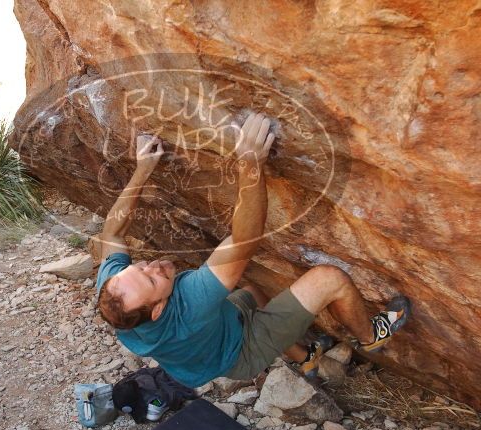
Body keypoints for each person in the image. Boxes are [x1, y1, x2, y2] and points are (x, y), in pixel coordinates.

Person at [95, 112, 410, 388]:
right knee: (330, 279)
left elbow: (113, 230)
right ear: (159, 309)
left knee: (250, 292)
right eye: (152, 280)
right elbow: (245, 239)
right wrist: (250, 163)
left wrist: (143, 168)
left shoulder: (116, 295)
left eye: (139, 267)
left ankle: (306, 357)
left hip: (206, 349)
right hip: (239, 355)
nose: (154, 266)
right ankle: (372, 337)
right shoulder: (190, 302)